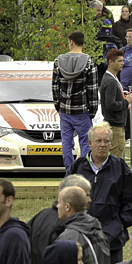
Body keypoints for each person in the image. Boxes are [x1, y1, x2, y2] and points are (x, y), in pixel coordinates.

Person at [74, 124, 132, 264]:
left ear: (111, 143)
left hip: (112, 240)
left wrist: (119, 224)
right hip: (81, 238)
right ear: (90, 143)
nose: (103, 145)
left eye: (106, 141)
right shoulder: (78, 167)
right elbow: (64, 199)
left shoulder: (120, 167)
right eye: (98, 141)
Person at [53, 31, 100, 175]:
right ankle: (83, 172)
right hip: (82, 110)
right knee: (85, 143)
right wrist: (92, 111)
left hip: (65, 110)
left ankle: (69, 172)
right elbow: (92, 89)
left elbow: (55, 87)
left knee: (66, 144)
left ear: (71, 42)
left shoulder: (58, 61)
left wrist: (58, 106)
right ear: (82, 42)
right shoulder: (89, 61)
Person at [100, 49, 132, 159]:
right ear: (110, 62)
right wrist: (126, 101)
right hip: (114, 126)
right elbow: (110, 105)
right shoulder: (111, 81)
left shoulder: (112, 79)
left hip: (113, 125)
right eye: (119, 61)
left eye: (123, 60)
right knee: (114, 161)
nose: (122, 63)